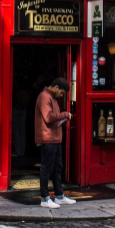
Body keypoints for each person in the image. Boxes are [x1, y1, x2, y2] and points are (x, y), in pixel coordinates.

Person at [34, 77, 74, 209]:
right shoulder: (45, 97)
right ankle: (45, 198)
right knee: (46, 169)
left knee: (58, 168)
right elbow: (48, 117)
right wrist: (64, 115)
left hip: (55, 139)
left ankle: (59, 196)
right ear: (56, 87)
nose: (61, 95)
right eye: (61, 92)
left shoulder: (52, 98)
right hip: (48, 139)